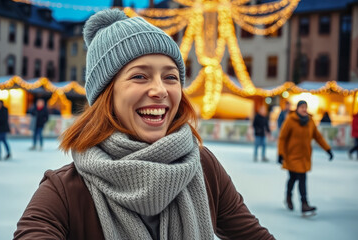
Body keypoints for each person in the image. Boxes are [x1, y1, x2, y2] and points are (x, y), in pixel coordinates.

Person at [14, 9, 274, 239]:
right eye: (139, 76)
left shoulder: (204, 167)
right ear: (107, 95)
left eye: (170, 77)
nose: (160, 90)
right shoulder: (64, 191)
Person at [278, 100, 333, 216]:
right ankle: (303, 203)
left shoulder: (310, 121)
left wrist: (328, 149)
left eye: (305, 107)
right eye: (301, 107)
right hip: (292, 155)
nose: (304, 109)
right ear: (297, 108)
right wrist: (280, 154)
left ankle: (290, 197)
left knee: (294, 178)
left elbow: (317, 137)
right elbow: (282, 138)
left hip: (304, 156)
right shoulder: (290, 120)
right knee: (299, 178)